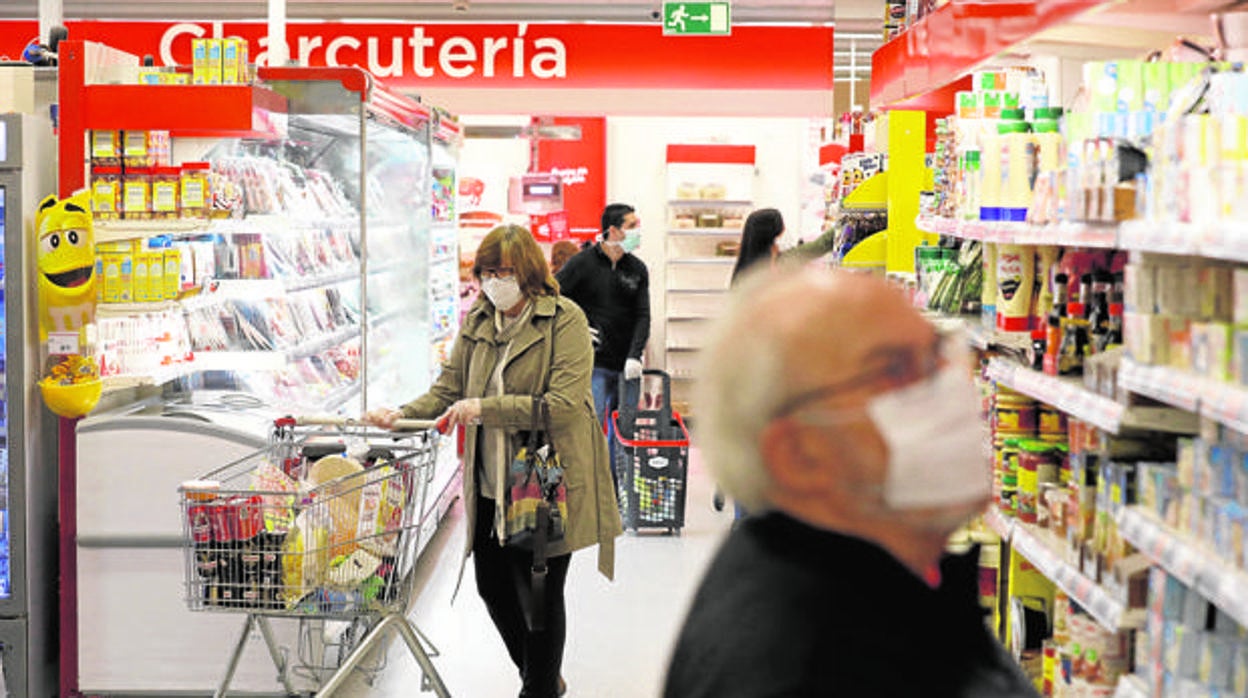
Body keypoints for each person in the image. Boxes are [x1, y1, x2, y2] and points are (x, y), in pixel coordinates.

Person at [664, 267, 1039, 698]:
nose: (948, 387)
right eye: (896, 369)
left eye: (938, 354)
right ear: (799, 455)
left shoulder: (877, 584)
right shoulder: (805, 672)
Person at [366, 224, 622, 698]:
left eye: (504, 271)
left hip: (547, 472)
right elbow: (448, 389)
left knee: (541, 591)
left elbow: (563, 404)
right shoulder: (479, 320)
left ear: (528, 272)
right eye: (486, 272)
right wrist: (401, 414)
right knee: (492, 585)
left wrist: (485, 409)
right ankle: (541, 675)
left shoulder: (563, 320)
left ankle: (538, 688)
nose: (494, 281)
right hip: (491, 477)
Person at [555, 203, 651, 475]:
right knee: (590, 430)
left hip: (627, 367)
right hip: (593, 365)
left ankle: (614, 489)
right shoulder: (581, 264)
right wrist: (575, 328)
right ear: (613, 231)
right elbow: (551, 298)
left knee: (624, 433)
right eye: (632, 226)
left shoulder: (637, 269)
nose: (638, 231)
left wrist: (635, 354)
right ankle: (589, 488)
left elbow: (643, 315)